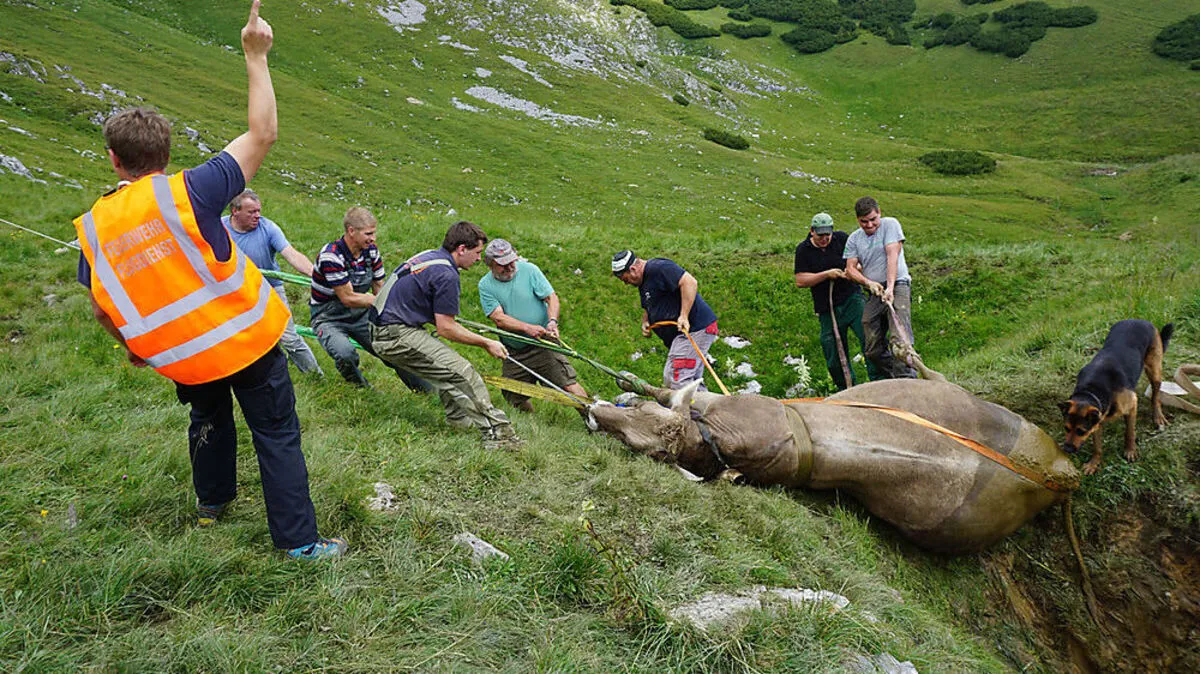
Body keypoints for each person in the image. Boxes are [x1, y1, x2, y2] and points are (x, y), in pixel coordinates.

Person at [72, 1, 344, 560]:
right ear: (166, 155)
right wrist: (255, 53)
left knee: (208, 416)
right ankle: (298, 544)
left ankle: (212, 505)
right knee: (275, 434)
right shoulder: (190, 190)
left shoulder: (94, 229)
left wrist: (134, 350)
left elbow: (103, 309)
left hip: (183, 355)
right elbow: (262, 133)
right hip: (246, 338)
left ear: (113, 160)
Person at [370, 221, 523, 449]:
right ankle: (499, 435)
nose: (479, 259)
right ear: (461, 249)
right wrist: (486, 342)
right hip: (395, 334)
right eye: (477, 252)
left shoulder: (431, 257)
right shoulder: (446, 274)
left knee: (446, 370)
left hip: (384, 328)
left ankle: (458, 422)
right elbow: (446, 328)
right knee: (463, 373)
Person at [310, 206, 429, 391]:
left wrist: (396, 316)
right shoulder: (331, 256)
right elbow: (348, 298)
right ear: (351, 231)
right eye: (368, 233)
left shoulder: (371, 251)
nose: (373, 238)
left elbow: (379, 288)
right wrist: (387, 301)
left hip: (362, 315)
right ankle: (360, 388)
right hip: (328, 318)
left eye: (374, 233)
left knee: (393, 348)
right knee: (345, 353)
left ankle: (427, 392)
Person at [477, 239, 589, 412]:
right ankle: (532, 424)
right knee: (512, 394)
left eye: (511, 261)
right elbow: (498, 318)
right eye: (502, 265)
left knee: (568, 386)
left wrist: (552, 321)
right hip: (514, 351)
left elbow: (551, 297)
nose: (509, 267)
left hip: (543, 344)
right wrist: (527, 328)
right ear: (490, 264)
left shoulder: (530, 271)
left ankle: (596, 422)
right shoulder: (486, 285)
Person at [221, 189, 322, 374]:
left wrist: (318, 276)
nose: (257, 215)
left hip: (269, 289)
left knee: (289, 337)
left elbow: (291, 254)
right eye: (252, 212)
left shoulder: (268, 228)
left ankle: (315, 375)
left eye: (259, 210)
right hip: (232, 291)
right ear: (235, 211)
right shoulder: (219, 227)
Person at [794, 213, 880, 390]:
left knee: (870, 338)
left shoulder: (842, 239)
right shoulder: (803, 250)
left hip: (852, 299)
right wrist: (827, 274)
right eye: (820, 235)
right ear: (812, 232)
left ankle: (879, 382)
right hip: (827, 308)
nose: (825, 239)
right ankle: (848, 389)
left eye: (828, 235)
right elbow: (801, 280)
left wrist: (852, 271)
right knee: (833, 353)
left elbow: (858, 263)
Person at [612, 250, 719, 391]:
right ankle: (704, 412)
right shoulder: (643, 281)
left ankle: (685, 413)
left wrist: (684, 315)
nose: (626, 284)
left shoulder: (659, 268)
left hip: (694, 329)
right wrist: (646, 321)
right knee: (690, 381)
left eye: (626, 279)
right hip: (684, 334)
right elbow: (650, 304)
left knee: (677, 378)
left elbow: (689, 282)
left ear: (632, 269)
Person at [843, 196, 918, 379]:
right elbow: (850, 269)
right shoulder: (854, 239)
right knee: (871, 345)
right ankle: (891, 376)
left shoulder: (890, 225)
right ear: (857, 220)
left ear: (879, 214)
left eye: (872, 220)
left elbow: (892, 255)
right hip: (875, 290)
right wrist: (868, 283)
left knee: (899, 338)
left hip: (897, 284)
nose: (869, 225)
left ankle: (908, 380)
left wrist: (890, 288)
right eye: (864, 221)